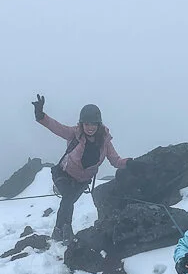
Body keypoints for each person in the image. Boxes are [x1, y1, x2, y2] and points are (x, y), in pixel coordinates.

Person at [32, 94, 131, 241]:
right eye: (86, 124)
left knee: (68, 200)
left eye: (93, 124)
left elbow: (115, 161)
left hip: (82, 181)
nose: (90, 128)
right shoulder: (74, 133)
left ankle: (58, 230)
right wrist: (40, 115)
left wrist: (130, 163)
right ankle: (66, 230)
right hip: (63, 174)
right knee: (68, 197)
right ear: (81, 124)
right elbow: (56, 127)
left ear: (98, 124)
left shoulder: (105, 141)